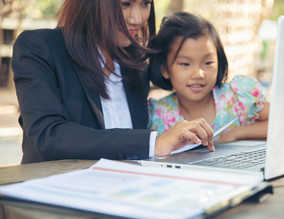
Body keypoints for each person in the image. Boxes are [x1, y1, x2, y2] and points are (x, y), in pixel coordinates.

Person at [12, 0, 214, 164]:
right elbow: (48, 135)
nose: (137, 18)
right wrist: (153, 143)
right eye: (125, 3)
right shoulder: (39, 48)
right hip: (56, 192)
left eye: (146, 3)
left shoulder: (135, 65)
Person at [147, 12, 269, 143]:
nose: (198, 74)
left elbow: (281, 121)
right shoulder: (156, 116)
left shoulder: (237, 98)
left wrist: (238, 133)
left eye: (207, 63)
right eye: (185, 64)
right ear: (165, 69)